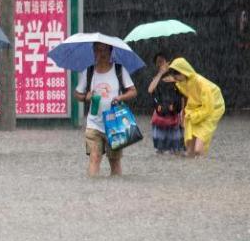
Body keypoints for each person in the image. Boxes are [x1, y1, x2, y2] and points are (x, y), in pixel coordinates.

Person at [73, 42, 137, 177]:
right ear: (93, 52)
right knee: (94, 158)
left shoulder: (119, 70)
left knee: (114, 161)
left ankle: (114, 194)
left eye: (104, 50)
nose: (101, 54)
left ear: (110, 52)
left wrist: (120, 97)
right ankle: (91, 191)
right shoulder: (89, 71)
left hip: (115, 124)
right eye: (97, 50)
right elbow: (77, 94)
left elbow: (133, 91)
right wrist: (86, 97)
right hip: (93, 124)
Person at [165, 58, 225, 157]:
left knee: (198, 148)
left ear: (184, 72)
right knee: (190, 150)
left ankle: (200, 156)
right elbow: (185, 93)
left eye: (177, 75)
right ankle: (193, 154)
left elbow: (208, 107)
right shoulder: (183, 82)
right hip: (197, 108)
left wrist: (194, 116)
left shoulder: (201, 83)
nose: (177, 79)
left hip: (214, 107)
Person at [148, 52, 184, 154]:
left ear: (168, 62)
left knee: (175, 149)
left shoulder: (176, 76)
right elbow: (150, 90)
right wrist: (160, 74)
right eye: (158, 62)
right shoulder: (155, 78)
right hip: (160, 115)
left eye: (162, 61)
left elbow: (182, 95)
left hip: (174, 115)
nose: (160, 64)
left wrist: (182, 113)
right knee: (159, 150)